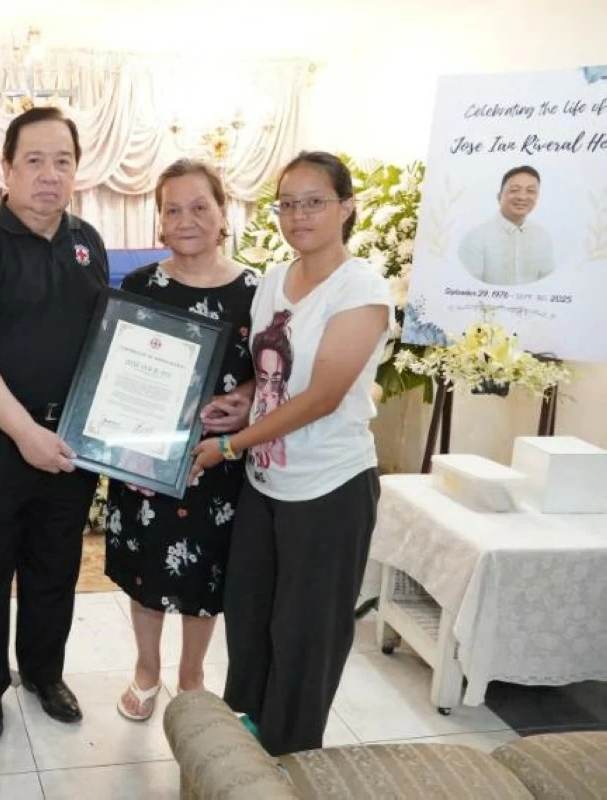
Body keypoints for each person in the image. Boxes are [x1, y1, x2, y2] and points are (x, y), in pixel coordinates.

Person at [190, 151, 391, 756]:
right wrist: (240, 401)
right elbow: (274, 377)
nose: (298, 215)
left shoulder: (361, 287)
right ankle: (246, 741)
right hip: (268, 482)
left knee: (306, 637)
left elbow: (325, 395)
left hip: (328, 487)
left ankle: (290, 758)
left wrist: (228, 444)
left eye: (314, 201)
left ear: (346, 207)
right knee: (250, 618)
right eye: (287, 203)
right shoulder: (274, 280)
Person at [0, 107, 108, 741]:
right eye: (34, 161)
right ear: (6, 169)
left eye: (63, 161)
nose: (49, 175)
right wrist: (23, 433)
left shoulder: (88, 241)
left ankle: (43, 671)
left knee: (55, 565)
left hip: (68, 445)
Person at [105, 159, 258, 722]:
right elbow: (113, 372)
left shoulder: (256, 291)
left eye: (200, 206)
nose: (186, 219)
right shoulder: (142, 285)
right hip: (145, 459)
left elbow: (274, 373)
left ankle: (191, 675)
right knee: (146, 574)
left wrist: (244, 394)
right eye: (173, 209)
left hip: (220, 462)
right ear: (159, 222)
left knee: (205, 577)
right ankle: (146, 669)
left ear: (223, 214)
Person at [458, 165, 555, 285]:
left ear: (537, 198)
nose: (522, 197)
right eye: (514, 190)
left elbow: (548, 283)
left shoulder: (542, 236)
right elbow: (467, 286)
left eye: (531, 191)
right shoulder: (476, 237)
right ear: (499, 196)